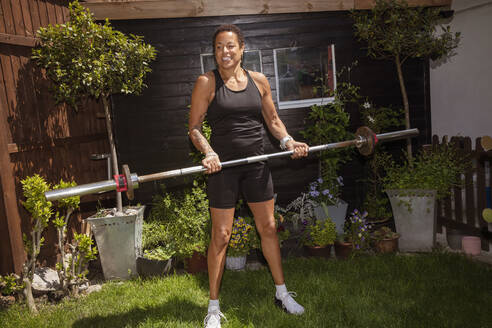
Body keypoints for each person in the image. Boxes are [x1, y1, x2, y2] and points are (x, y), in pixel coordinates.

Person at [188, 24, 309, 328]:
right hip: (223, 169)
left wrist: (288, 142)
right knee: (221, 236)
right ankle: (213, 307)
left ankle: (282, 293)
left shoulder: (259, 81)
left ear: (242, 48)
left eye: (230, 46)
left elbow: (273, 119)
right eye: (218, 47)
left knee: (268, 227)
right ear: (214, 52)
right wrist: (209, 152)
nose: (224, 52)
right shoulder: (207, 82)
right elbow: (194, 128)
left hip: (257, 164)